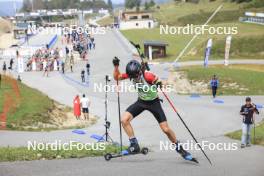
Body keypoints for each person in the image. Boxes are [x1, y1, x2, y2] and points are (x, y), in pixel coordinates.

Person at [112, 58, 195, 161]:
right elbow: (117, 77)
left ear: (139, 72)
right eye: (132, 77)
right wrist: (116, 66)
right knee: (124, 120)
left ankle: (180, 149)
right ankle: (134, 145)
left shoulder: (148, 76)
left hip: (153, 103)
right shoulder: (131, 74)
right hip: (141, 102)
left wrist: (160, 84)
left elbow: (163, 84)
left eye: (136, 76)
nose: (135, 78)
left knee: (166, 130)